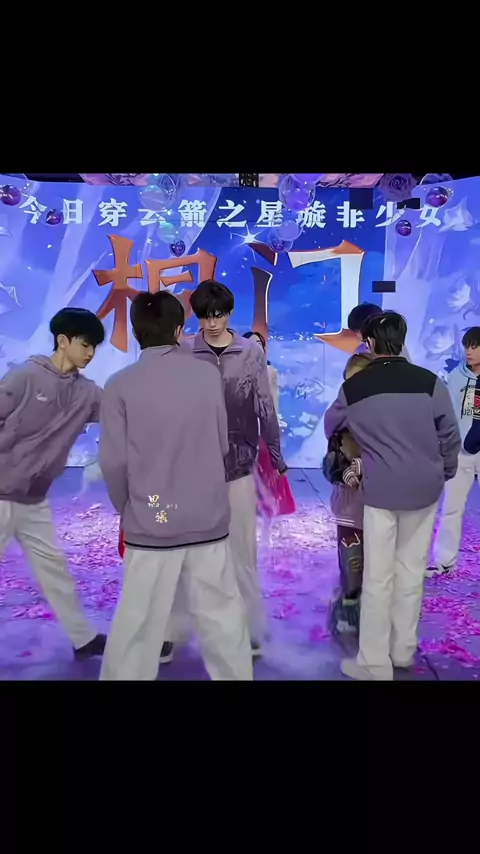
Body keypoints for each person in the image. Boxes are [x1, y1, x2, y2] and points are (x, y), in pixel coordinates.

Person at [98, 290, 252, 681]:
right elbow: (222, 443)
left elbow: (114, 463)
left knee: (137, 622)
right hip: (207, 516)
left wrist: (130, 508)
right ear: (180, 330)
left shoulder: (119, 385)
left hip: (152, 518)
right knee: (223, 615)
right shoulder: (206, 375)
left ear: (136, 332)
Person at [324, 311, 461, 680]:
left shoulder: (356, 387)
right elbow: (450, 435)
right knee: (411, 571)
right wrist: (444, 471)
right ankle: (402, 650)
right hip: (425, 488)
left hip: (381, 490)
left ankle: (374, 663)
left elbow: (332, 425)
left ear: (369, 342)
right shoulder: (430, 382)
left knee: (378, 576)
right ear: (402, 340)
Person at [185, 281, 288, 656]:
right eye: (205, 316)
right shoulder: (184, 351)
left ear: (229, 313)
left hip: (239, 465)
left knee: (242, 551)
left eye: (219, 315)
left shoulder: (249, 353)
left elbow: (265, 406)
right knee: (190, 550)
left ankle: (249, 625)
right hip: (193, 466)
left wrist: (274, 454)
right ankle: (183, 628)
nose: (212, 323)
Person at [0, 307, 107, 658]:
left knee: (54, 569)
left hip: (34, 499)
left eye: (95, 347)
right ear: (63, 341)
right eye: (85, 344)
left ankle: (83, 639)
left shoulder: (88, 393)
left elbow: (121, 412)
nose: (90, 353)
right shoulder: (26, 376)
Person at [323, 353, 374, 635]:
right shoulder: (338, 416)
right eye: (350, 382)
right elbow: (332, 460)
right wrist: (346, 469)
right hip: (349, 505)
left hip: (379, 503)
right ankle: (345, 607)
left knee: (376, 566)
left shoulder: (385, 415)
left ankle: (368, 612)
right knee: (352, 562)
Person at [427, 326, 480, 577]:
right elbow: (445, 414)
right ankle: (444, 562)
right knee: (451, 508)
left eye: (475, 346)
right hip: (461, 453)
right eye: (467, 346)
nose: (469, 351)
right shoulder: (455, 376)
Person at [243, 330, 295, 520]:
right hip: (243, 426)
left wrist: (273, 424)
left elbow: (274, 400)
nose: (256, 347)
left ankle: (268, 504)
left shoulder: (270, 371)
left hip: (263, 426)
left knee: (266, 467)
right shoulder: (236, 371)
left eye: (259, 343)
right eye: (252, 344)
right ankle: (251, 503)